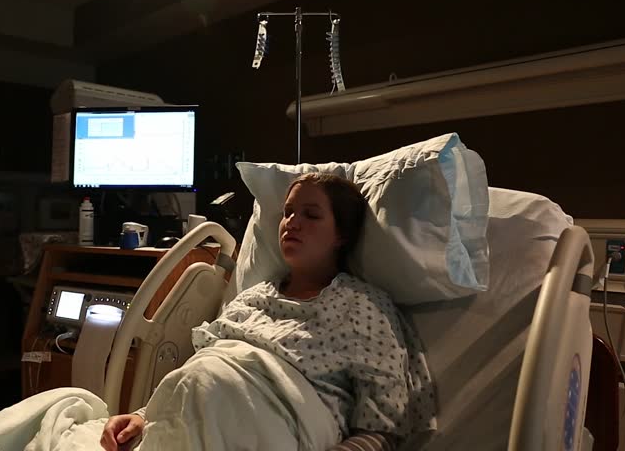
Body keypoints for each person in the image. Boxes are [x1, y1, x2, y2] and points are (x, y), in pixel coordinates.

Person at [101, 173, 436, 451]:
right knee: (60, 402)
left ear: (342, 235)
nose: (293, 223)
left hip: (281, 419)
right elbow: (198, 378)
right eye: (288, 213)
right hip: (198, 407)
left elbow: (384, 427)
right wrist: (145, 416)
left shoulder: (363, 306)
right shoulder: (253, 298)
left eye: (311, 214)